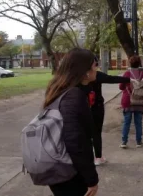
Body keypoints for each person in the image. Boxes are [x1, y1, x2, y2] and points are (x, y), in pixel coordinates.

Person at [44, 48, 99, 196]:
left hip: (59, 166)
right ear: (85, 70)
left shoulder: (59, 88)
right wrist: (91, 179)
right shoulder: (73, 95)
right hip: (69, 172)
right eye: (95, 65)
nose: (97, 68)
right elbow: (75, 141)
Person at [90, 56, 131, 166]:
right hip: (96, 107)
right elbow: (112, 79)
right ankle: (98, 157)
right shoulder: (96, 75)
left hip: (82, 107)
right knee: (96, 133)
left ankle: (88, 157)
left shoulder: (76, 76)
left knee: (85, 133)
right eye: (96, 63)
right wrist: (128, 79)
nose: (97, 65)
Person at [119, 55, 143, 148]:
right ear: (139, 64)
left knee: (127, 122)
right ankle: (138, 142)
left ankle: (124, 142)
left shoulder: (126, 73)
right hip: (139, 101)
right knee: (138, 122)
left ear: (130, 63)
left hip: (128, 101)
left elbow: (121, 87)